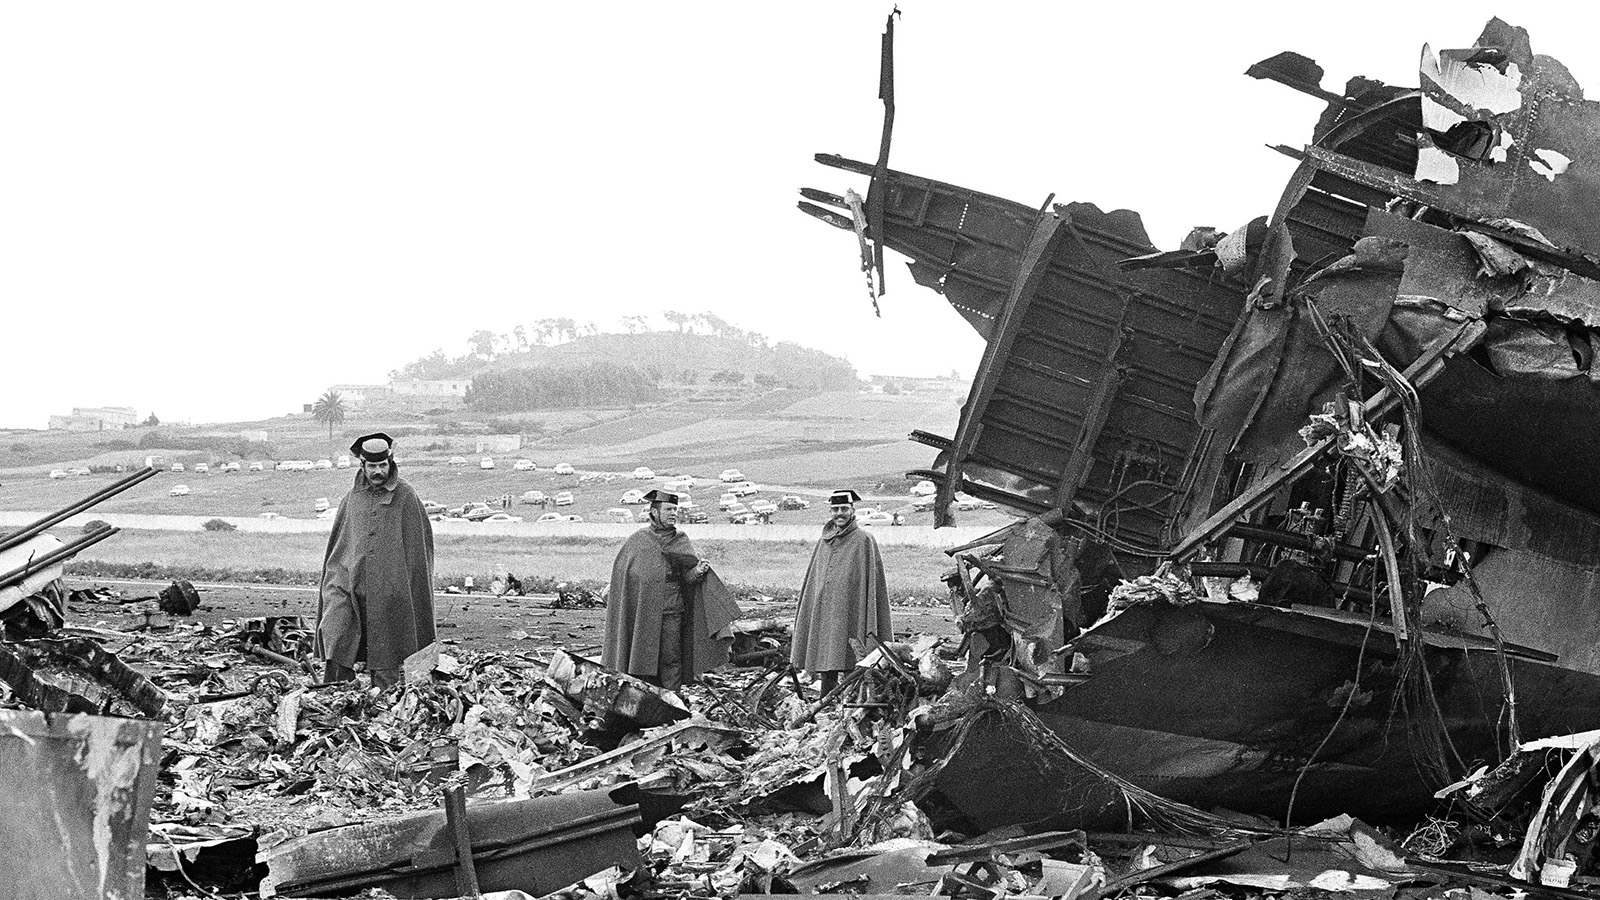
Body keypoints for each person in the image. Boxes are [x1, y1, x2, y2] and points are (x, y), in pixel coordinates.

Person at [315, 432, 436, 689]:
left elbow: (418, 550)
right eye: (372, 466)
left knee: (386, 647)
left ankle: (384, 698)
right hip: (349, 584)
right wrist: (336, 578)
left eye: (383, 465)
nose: (378, 471)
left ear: (390, 463)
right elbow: (340, 546)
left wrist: (402, 585)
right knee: (336, 630)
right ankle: (337, 692)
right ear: (363, 465)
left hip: (389, 587)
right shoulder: (352, 498)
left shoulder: (405, 495)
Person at [604, 489, 740, 690]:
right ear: (654, 512)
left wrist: (697, 571)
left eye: (675, 510)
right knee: (642, 657)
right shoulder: (638, 540)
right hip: (643, 612)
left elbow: (687, 579)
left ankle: (672, 697)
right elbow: (626, 576)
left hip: (671, 609)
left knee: (671, 657)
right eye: (668, 509)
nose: (673, 513)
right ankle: (644, 695)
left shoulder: (680, 540)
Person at [791, 489, 892, 694]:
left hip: (852, 607)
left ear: (852, 511)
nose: (839, 513)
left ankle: (853, 699)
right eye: (835, 509)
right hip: (825, 609)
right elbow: (815, 578)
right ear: (830, 512)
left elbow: (870, 584)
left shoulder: (864, 540)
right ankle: (825, 700)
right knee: (825, 654)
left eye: (844, 509)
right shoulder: (824, 541)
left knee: (853, 654)